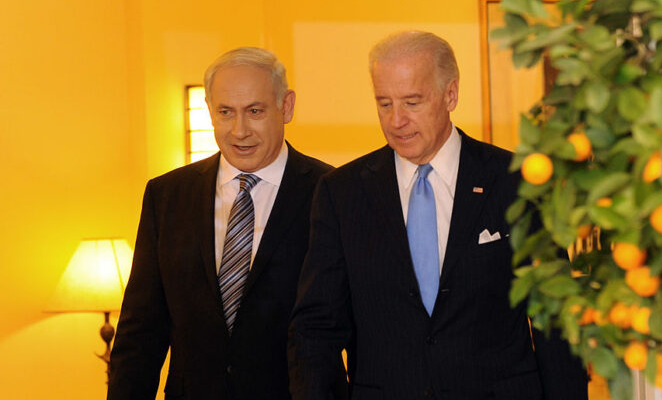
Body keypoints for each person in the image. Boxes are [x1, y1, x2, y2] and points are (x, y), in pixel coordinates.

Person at [288, 32, 588, 399]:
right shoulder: (341, 193)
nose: (396, 120)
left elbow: (555, 318)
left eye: (412, 102)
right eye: (384, 104)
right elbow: (317, 327)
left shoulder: (516, 182)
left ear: (451, 95)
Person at [108, 47, 346, 400]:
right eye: (225, 112)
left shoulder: (334, 195)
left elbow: (360, 329)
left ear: (287, 107)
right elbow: (140, 332)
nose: (239, 130)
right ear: (210, 112)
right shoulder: (167, 195)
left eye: (254, 111)